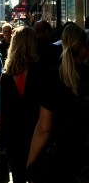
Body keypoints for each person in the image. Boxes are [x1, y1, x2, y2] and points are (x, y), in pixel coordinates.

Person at [26, 23, 89, 181]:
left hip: (61, 160)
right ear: (83, 48)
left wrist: (30, 164)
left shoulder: (53, 78)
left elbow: (44, 128)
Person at [0, 26, 39, 183]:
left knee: (18, 177)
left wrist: (3, 142)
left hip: (13, 136)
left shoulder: (7, 75)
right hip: (35, 133)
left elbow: (4, 110)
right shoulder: (39, 71)